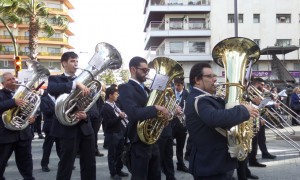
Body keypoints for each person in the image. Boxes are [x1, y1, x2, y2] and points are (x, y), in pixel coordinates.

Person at [184, 63, 259, 179]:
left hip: (217, 162)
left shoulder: (207, 97)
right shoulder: (199, 99)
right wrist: (243, 110)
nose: (214, 79)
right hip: (211, 165)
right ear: (197, 80)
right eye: (209, 76)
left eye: (214, 76)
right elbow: (214, 118)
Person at [118, 56, 170, 180]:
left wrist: (164, 116)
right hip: (138, 141)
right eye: (144, 70)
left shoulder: (147, 89)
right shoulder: (125, 88)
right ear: (133, 69)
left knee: (155, 176)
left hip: (153, 139)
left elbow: (153, 111)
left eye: (148, 71)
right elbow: (133, 113)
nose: (147, 73)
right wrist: (156, 108)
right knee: (140, 177)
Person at [47, 51, 96, 180]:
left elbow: (92, 103)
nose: (76, 64)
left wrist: (86, 115)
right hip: (66, 129)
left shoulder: (86, 81)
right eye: (72, 61)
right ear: (64, 63)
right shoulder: (55, 79)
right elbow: (51, 89)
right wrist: (75, 84)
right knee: (66, 164)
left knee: (89, 163)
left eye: (77, 61)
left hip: (85, 128)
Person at [0, 72, 36, 180]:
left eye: (13, 78)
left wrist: (31, 117)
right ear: (3, 83)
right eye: (9, 80)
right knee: (1, 162)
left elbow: (30, 108)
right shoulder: (1, 94)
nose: (13, 81)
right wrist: (13, 101)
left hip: (23, 134)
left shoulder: (24, 94)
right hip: (5, 135)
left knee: (26, 162)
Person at [101, 87, 129, 180]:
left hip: (120, 132)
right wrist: (119, 117)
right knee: (112, 155)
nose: (117, 96)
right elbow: (108, 123)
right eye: (116, 94)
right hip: (112, 134)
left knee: (120, 153)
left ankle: (118, 170)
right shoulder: (105, 108)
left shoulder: (116, 105)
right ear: (110, 95)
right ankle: (113, 173)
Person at [249, 78, 276, 168]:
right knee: (254, 140)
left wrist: (263, 117)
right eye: (262, 84)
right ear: (257, 83)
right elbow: (250, 105)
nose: (263, 86)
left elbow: (262, 105)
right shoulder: (249, 92)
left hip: (260, 117)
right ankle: (252, 159)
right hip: (253, 118)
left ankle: (264, 153)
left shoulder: (260, 92)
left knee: (261, 137)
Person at [40, 90, 61, 172]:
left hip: (59, 126)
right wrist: (57, 107)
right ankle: (44, 164)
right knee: (48, 147)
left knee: (60, 146)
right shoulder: (44, 99)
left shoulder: (58, 98)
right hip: (50, 126)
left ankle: (63, 162)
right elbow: (46, 111)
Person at [171, 77, 189, 173]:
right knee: (168, 146)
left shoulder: (187, 94)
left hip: (182, 125)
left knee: (180, 146)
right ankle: (166, 165)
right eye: (175, 85)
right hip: (170, 124)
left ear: (183, 85)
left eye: (178, 85)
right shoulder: (170, 94)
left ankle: (180, 164)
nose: (176, 87)